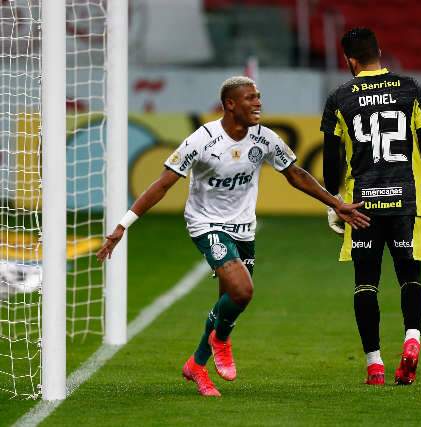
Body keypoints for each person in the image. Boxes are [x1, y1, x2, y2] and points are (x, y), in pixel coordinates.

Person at [97, 76, 370, 397]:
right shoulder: (202, 141)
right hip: (206, 224)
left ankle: (197, 365)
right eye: (250, 98)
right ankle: (221, 341)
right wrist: (122, 226)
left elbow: (295, 174)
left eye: (259, 97)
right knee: (242, 292)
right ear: (230, 104)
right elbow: (162, 185)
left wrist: (336, 203)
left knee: (231, 301)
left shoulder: (264, 139)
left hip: (244, 228)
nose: (258, 103)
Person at [321, 28, 421, 386]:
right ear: (379, 52)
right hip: (405, 201)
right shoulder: (410, 88)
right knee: (410, 277)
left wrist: (334, 202)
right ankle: (412, 340)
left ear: (350, 60)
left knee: (365, 284)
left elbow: (332, 158)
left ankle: (374, 365)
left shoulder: (339, 98)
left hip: (362, 205)